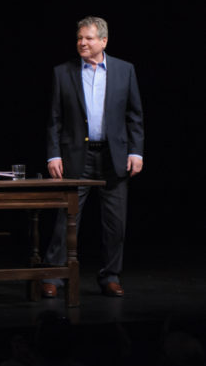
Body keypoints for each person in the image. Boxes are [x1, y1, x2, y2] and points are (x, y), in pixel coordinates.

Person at [42, 16, 144, 298]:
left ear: (103, 41)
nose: (82, 43)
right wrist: (53, 155)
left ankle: (110, 276)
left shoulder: (125, 70)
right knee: (66, 216)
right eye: (79, 38)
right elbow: (54, 119)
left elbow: (134, 115)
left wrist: (136, 151)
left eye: (88, 38)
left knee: (115, 222)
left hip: (114, 157)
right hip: (77, 154)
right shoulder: (63, 72)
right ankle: (54, 275)